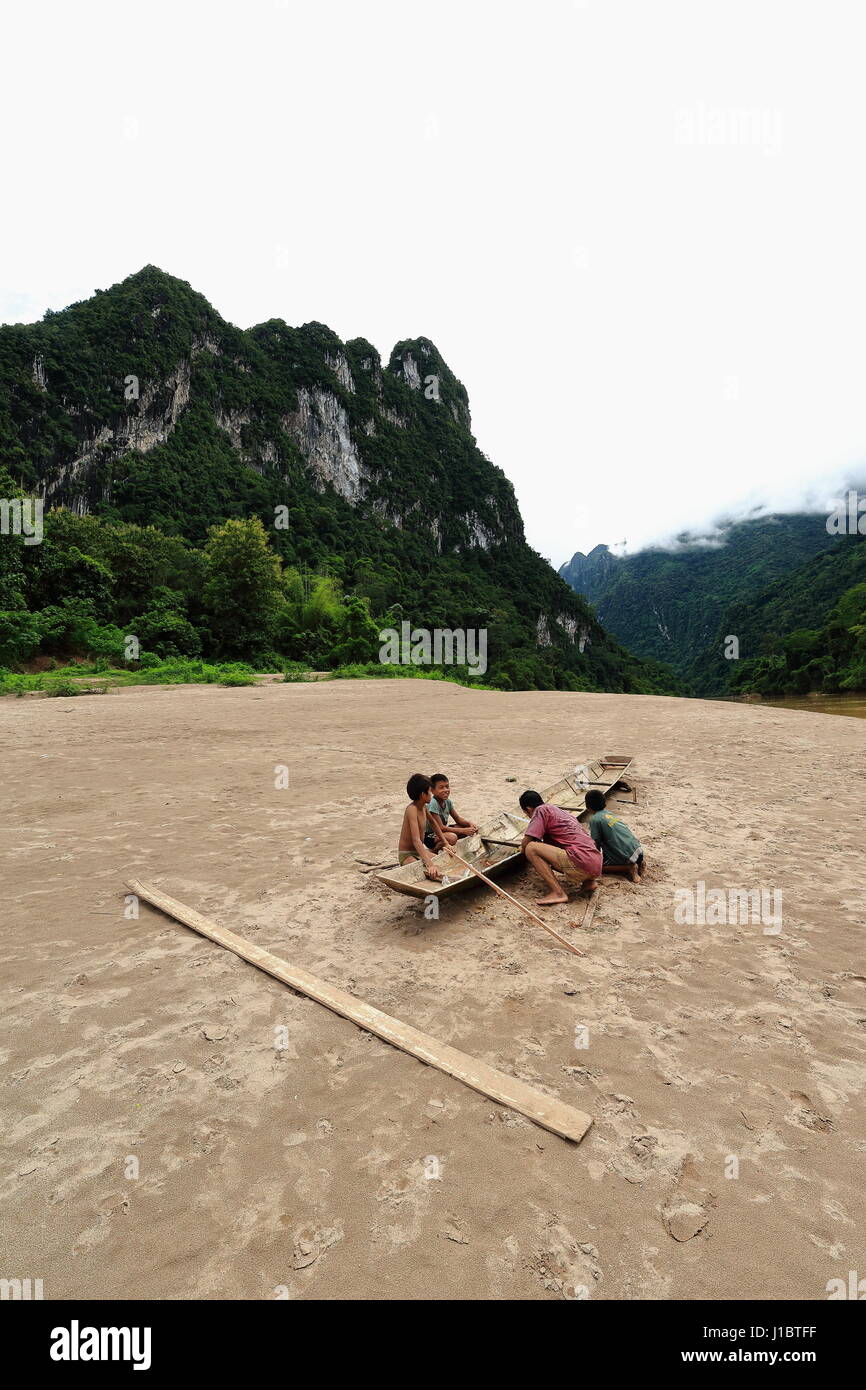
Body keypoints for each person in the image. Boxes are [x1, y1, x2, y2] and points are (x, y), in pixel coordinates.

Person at [518, 790, 602, 906]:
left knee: (531, 848)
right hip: (596, 864)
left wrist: (522, 850)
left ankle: (558, 893)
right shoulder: (560, 812)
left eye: (527, 814)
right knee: (570, 844)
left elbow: (528, 840)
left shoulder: (540, 810)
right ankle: (589, 882)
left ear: (528, 809)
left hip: (582, 862)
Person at [584, 790, 645, 883]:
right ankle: (640, 862)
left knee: (600, 868)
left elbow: (596, 843)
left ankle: (629, 868)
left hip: (626, 856)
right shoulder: (609, 813)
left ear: (588, 806)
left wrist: (595, 862)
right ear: (604, 803)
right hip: (637, 850)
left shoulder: (595, 820)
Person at [398, 773, 445, 879]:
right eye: (429, 792)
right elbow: (416, 840)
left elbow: (433, 823)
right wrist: (430, 864)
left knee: (441, 862)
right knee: (421, 872)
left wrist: (446, 843)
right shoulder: (412, 810)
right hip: (407, 854)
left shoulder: (423, 807)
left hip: (419, 852)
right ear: (423, 795)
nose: (431, 795)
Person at [428, 773, 478, 845]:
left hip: (442, 832)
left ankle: (446, 844)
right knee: (452, 838)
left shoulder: (447, 802)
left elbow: (458, 818)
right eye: (441, 787)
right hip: (431, 835)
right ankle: (433, 851)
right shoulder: (433, 803)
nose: (446, 790)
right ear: (432, 790)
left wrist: (470, 824)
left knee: (467, 826)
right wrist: (463, 831)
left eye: (447, 786)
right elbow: (441, 827)